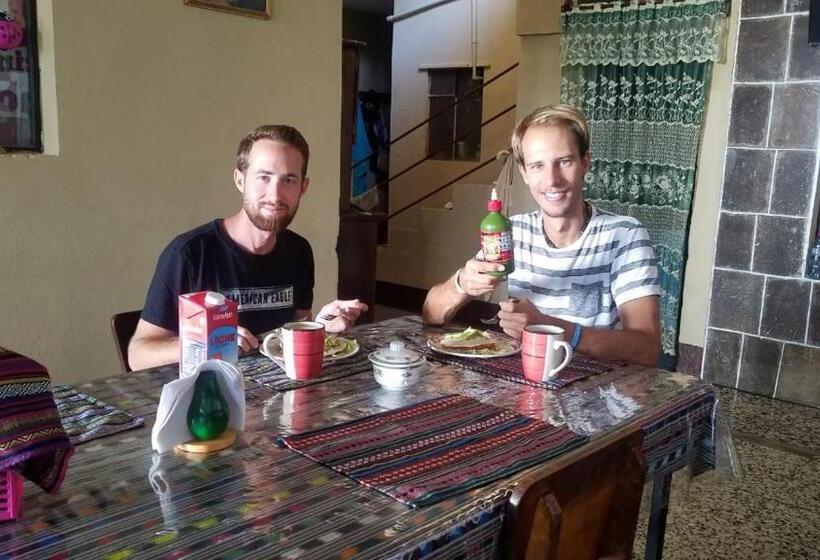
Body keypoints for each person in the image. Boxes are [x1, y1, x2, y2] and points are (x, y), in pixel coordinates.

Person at [422, 105, 661, 366]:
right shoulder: (513, 232)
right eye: (538, 165)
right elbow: (431, 314)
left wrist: (550, 328)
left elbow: (646, 349)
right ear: (524, 173)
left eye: (564, 162)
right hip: (526, 385)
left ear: (585, 163)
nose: (552, 180)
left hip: (599, 393)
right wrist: (461, 284)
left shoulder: (624, 235)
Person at [128, 125, 368, 371]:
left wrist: (321, 325)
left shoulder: (299, 251)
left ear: (302, 188)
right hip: (208, 397)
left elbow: (293, 332)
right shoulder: (188, 255)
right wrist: (206, 344)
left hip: (278, 396)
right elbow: (138, 355)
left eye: (288, 180)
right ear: (240, 180)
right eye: (264, 177)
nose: (275, 195)